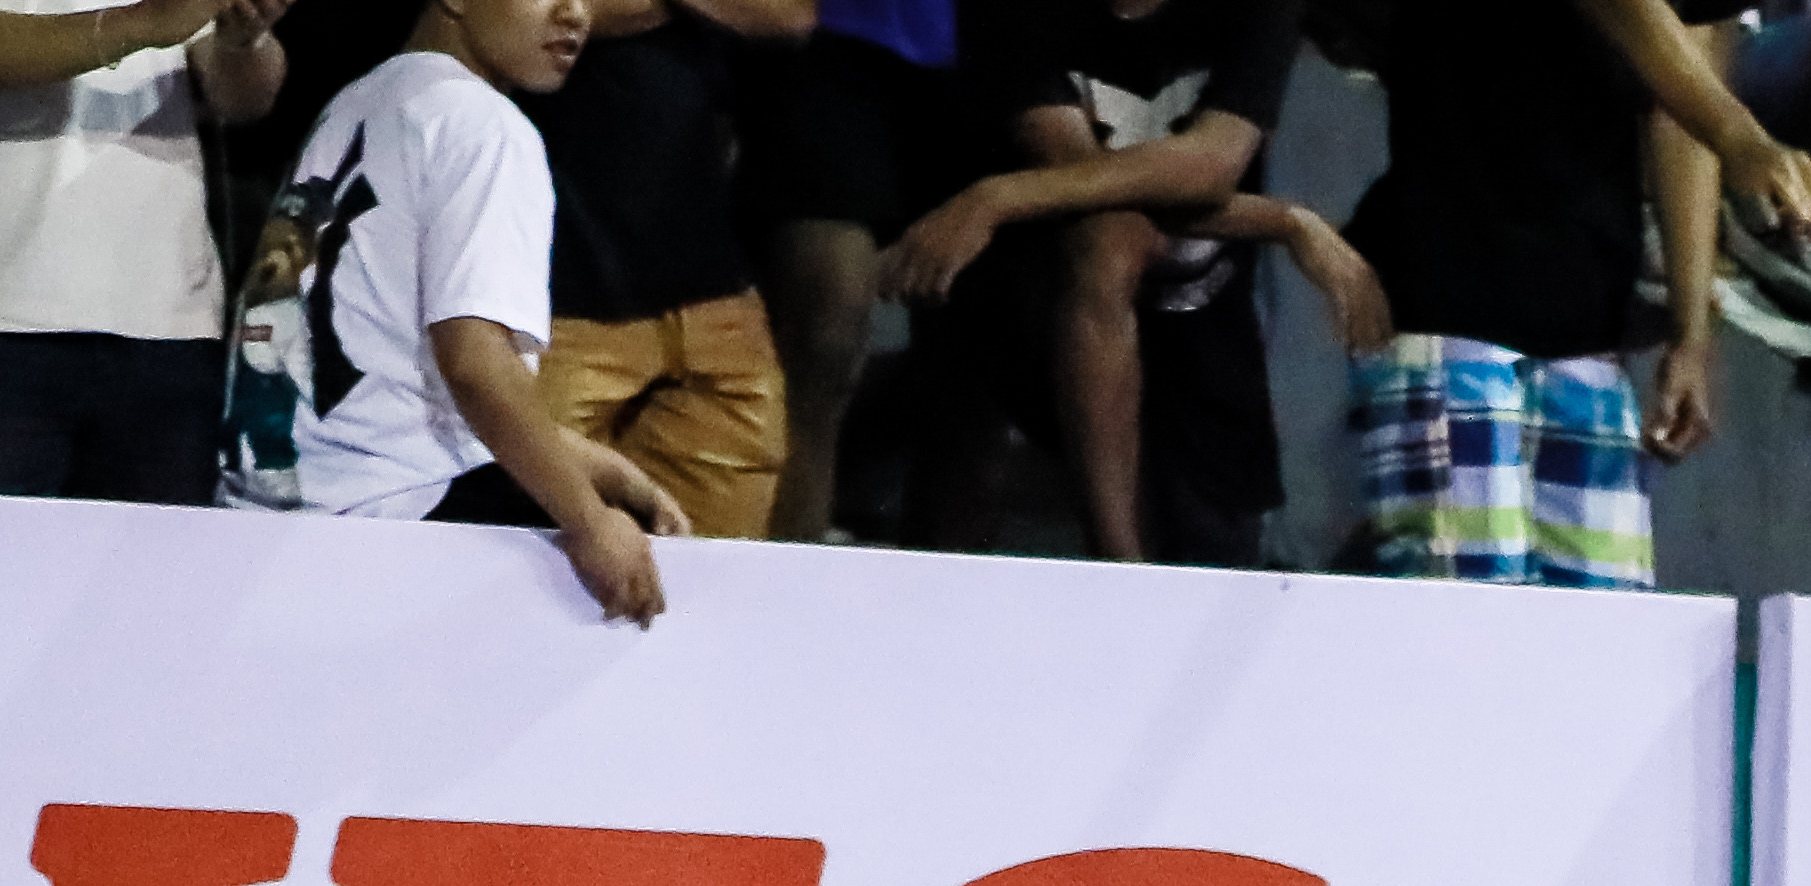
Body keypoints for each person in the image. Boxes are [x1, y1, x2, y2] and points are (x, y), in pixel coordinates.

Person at [1343, 0, 1811, 584]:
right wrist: (1739, 134)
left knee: (1606, 630)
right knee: (1466, 623)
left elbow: (1682, 104)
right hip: (1448, 306)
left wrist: (1691, 333)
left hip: (1590, 322)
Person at [880, 0, 1348, 563]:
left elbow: (1209, 167)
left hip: (1202, 324)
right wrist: (1283, 221)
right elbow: (1090, 188)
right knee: (1104, 242)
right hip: (1034, 316)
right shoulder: (1014, 11)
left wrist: (995, 198)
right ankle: (1117, 562)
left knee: (1217, 559)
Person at [277, 0, 694, 612]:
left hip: (282, 510)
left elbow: (380, 377)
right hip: (399, 523)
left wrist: (603, 470)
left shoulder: (359, 101)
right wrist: (588, 520)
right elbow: (475, 362)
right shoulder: (485, 127)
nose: (575, 14)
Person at [0, 0, 288, 499]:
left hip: (167, 325)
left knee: (158, 552)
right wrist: (144, 22)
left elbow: (244, 98)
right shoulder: (147, 19)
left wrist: (242, 37)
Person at [536, 0, 807, 556]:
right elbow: (528, 15)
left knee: (720, 581)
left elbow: (790, 13)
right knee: (534, 569)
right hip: (557, 307)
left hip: (713, 299)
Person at [738, 0, 964, 538]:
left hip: (977, 47)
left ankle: (943, 566)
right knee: (826, 332)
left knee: (972, 355)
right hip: (823, 42)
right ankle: (793, 560)